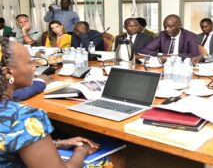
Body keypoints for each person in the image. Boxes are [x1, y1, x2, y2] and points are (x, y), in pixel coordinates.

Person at [0, 37, 125, 167]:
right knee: (116, 158)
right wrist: (81, 151)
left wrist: (58, 143)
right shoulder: (24, 117)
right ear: (8, 72)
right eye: (29, 62)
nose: (35, 66)